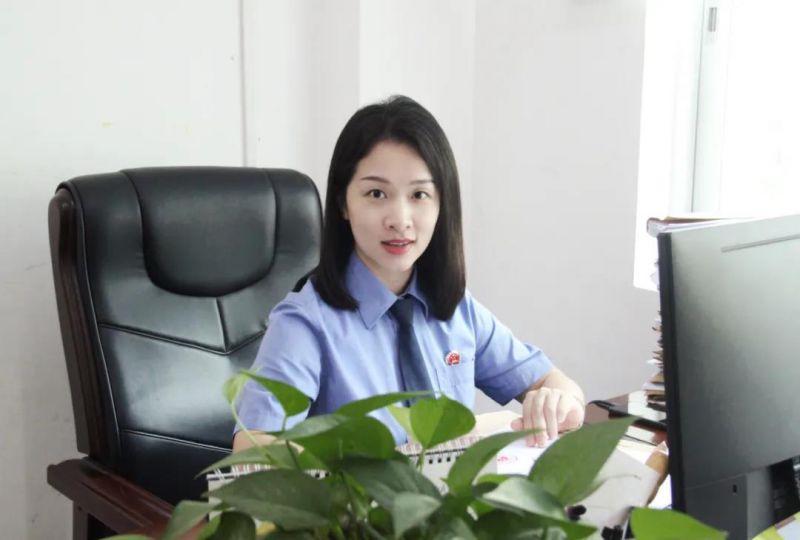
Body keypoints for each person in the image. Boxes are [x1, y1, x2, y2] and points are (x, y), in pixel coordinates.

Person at [233, 95, 584, 452]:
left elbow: (557, 386)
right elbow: (252, 449)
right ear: (343, 203)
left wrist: (558, 401)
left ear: (441, 203)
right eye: (376, 193)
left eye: (419, 195)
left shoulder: (456, 309)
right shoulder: (305, 323)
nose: (400, 220)